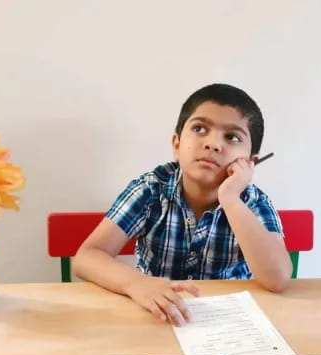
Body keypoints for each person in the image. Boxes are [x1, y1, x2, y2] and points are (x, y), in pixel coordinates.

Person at [73, 83, 292, 326]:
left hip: (228, 323)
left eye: (232, 137)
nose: (213, 144)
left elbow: (278, 278)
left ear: (250, 163)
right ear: (176, 145)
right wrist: (136, 283)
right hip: (158, 315)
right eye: (200, 129)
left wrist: (230, 198)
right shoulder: (151, 190)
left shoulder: (253, 202)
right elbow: (87, 257)